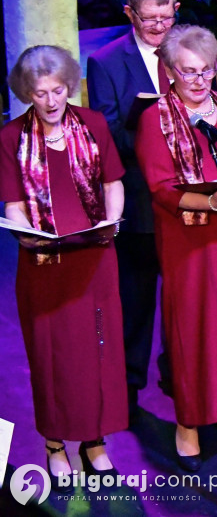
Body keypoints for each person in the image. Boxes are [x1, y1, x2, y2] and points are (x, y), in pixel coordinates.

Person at [136, 25, 217, 472]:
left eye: (207, 70)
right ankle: (188, 422)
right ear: (170, 71)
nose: (199, 80)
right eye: (188, 71)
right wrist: (210, 202)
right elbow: (161, 188)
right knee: (193, 330)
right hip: (190, 240)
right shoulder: (156, 118)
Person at [1, 46, 128, 489]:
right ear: (27, 93)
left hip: (94, 258)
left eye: (58, 90)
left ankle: (95, 441)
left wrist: (112, 222)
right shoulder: (11, 137)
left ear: (69, 86)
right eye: (41, 93)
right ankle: (55, 444)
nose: (51, 101)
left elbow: (113, 182)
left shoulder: (93, 124)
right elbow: (13, 205)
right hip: (45, 266)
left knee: (98, 353)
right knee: (51, 357)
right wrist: (27, 235)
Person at [87, 0, 177, 419]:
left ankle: (180, 376)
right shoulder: (105, 62)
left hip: (186, 197)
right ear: (129, 14)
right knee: (136, 299)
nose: (160, 27)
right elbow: (106, 136)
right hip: (139, 196)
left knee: (183, 299)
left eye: (167, 16)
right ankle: (128, 385)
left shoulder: (187, 50)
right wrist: (158, 131)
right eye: (149, 19)